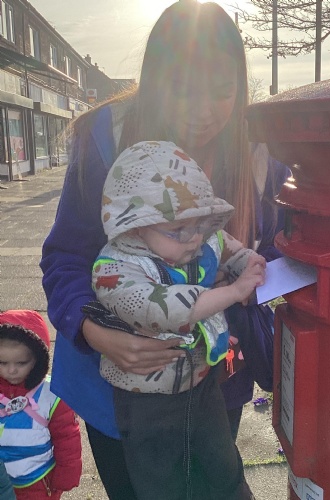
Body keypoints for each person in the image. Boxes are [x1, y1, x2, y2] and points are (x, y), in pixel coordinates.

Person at [40, 2, 289, 499]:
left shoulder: (260, 149)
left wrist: (252, 277)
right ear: (154, 78)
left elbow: (284, 253)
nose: (203, 112)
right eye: (183, 90)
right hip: (113, 387)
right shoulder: (107, 135)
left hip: (215, 379)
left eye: (222, 91)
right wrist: (96, 333)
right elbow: (65, 256)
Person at [82, 140, 265, 498]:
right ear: (136, 228)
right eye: (178, 229)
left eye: (198, 224)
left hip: (204, 382)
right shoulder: (114, 270)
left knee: (224, 467)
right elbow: (165, 309)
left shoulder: (195, 239)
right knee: (161, 481)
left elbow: (228, 247)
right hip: (148, 401)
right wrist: (234, 291)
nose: (193, 238)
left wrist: (248, 262)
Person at [0, 310, 82, 499]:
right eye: (2, 363)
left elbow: (67, 436)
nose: (11, 370)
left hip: (38, 481)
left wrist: (67, 472)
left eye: (21, 363)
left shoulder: (51, 393)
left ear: (38, 359)